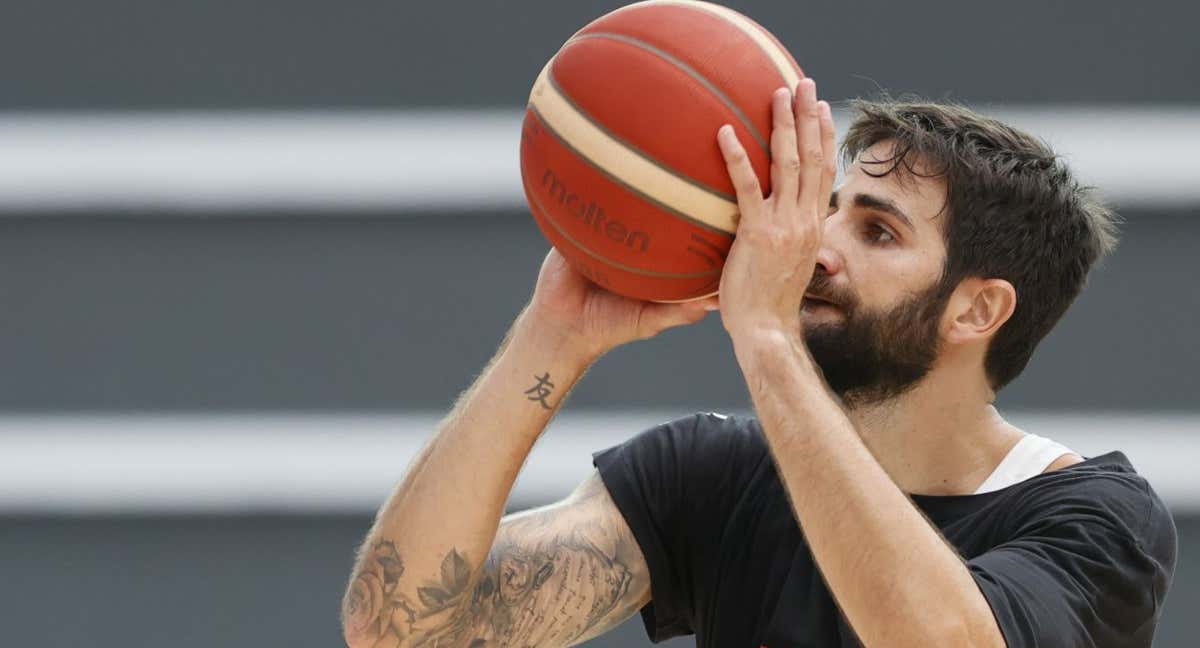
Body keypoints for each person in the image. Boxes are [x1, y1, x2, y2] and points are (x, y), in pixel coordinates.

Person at [339, 79, 1177, 648]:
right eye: (830, 210)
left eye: (877, 231)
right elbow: (400, 628)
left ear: (977, 309)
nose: (816, 246)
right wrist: (552, 334)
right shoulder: (717, 472)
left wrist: (769, 342)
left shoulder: (1097, 516)